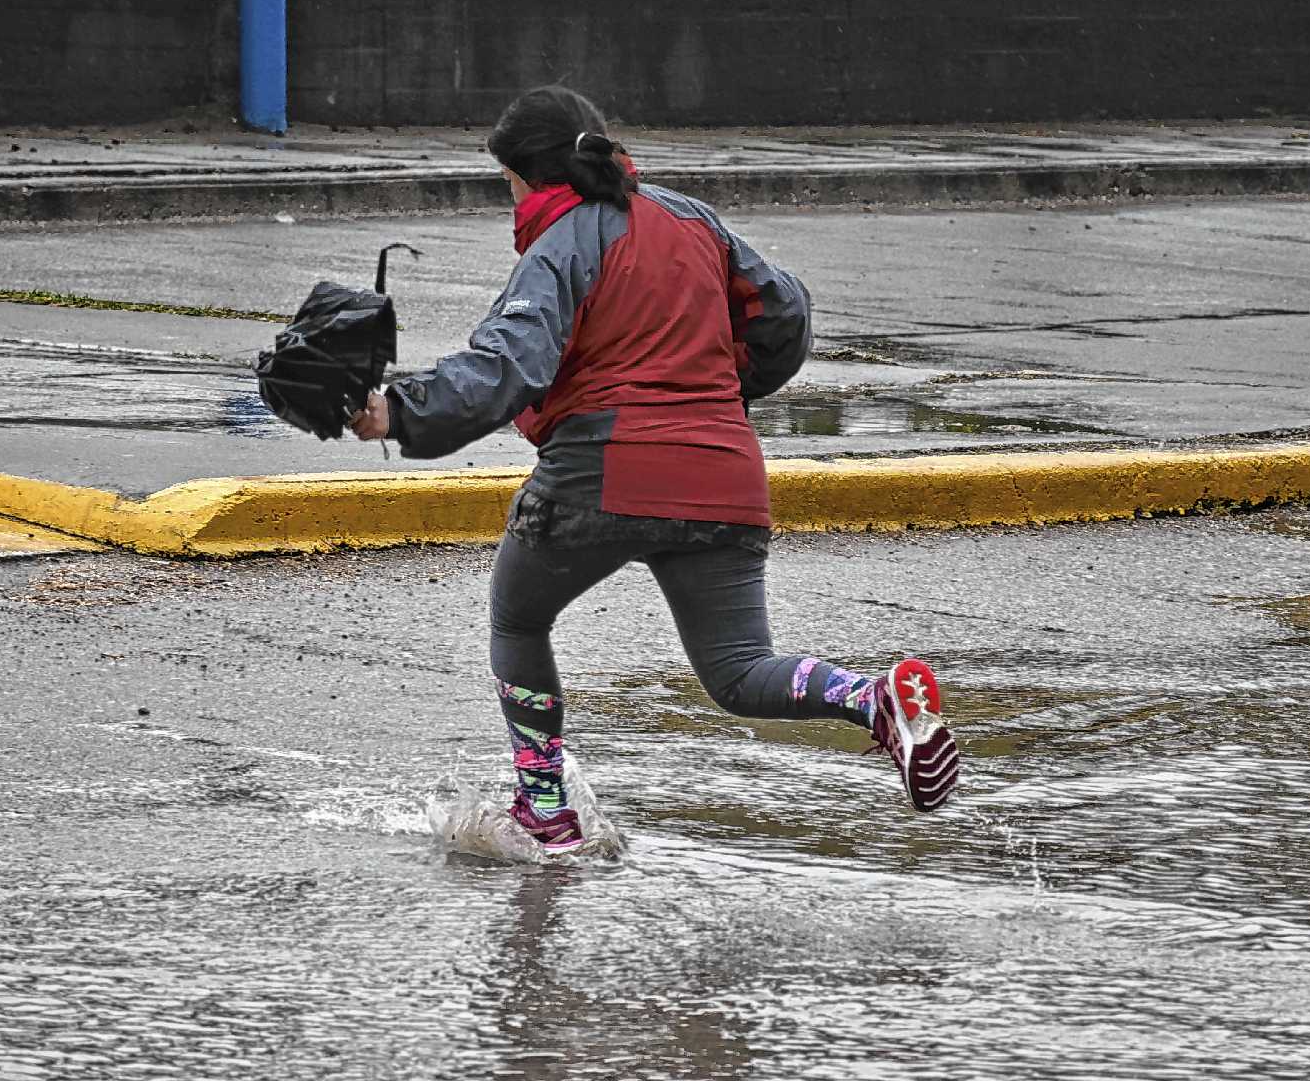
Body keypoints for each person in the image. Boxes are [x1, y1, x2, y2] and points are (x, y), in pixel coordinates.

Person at [349, 85, 959, 853]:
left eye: (506, 185)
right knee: (740, 672)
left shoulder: (561, 242)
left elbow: (509, 362)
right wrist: (724, 389)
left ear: (529, 177)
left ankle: (546, 809)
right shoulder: (694, 219)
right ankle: (873, 699)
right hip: (724, 472)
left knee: (519, 618)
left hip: (600, 473)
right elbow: (785, 315)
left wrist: (398, 413)